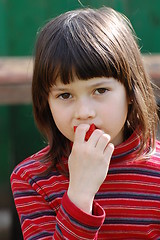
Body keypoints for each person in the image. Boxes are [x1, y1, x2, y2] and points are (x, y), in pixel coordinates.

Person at [10, 7, 160, 240]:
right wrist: (80, 194)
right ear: (46, 101)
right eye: (65, 95)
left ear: (130, 91)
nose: (84, 112)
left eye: (100, 90)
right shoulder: (32, 178)